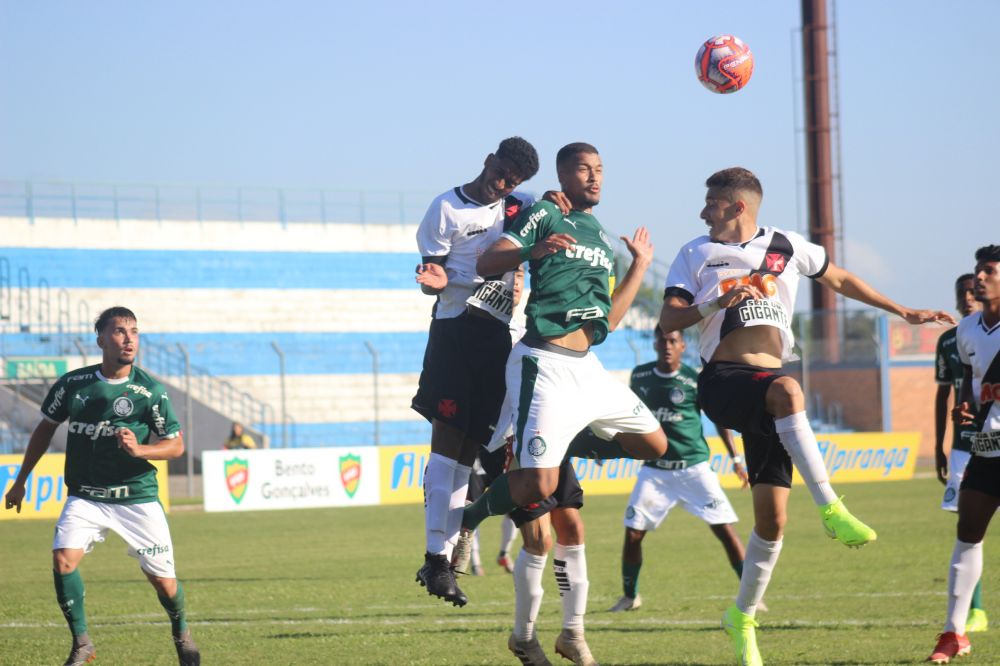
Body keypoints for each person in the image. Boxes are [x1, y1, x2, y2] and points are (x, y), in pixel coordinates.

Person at [659, 167, 954, 666]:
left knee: (772, 522)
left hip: (768, 389)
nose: (702, 212)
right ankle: (833, 508)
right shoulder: (696, 254)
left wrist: (901, 311)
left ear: (737, 207)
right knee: (791, 389)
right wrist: (717, 301)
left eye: (710, 203)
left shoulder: (786, 246)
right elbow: (670, 318)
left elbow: (839, 277)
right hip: (726, 381)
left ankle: (742, 618)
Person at [460, 141, 667, 540]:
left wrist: (640, 265)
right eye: (583, 169)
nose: (594, 177)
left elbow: (608, 319)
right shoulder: (547, 211)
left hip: (587, 367)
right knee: (540, 486)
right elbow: (486, 262)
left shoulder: (601, 238)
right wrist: (532, 249)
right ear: (563, 177)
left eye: (600, 169)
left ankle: (563, 437)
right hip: (545, 362)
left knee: (654, 444)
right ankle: (468, 520)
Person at [3, 306, 200, 666]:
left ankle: (182, 633)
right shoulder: (73, 385)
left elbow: (176, 444)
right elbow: (45, 429)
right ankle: (82, 644)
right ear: (101, 339)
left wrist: (141, 449)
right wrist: (20, 481)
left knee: (165, 585)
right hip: (86, 496)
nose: (129, 339)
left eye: (135, 332)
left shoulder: (149, 390)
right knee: (63, 560)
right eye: (120, 331)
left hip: (136, 497)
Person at [411, 137, 540, 606]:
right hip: (455, 331)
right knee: (447, 443)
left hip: (496, 337)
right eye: (499, 172)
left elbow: (541, 226)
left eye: (511, 180)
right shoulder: (445, 209)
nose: (500, 184)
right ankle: (434, 554)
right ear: (488, 161)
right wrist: (440, 283)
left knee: (469, 450)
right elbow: (434, 280)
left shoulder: (520, 206)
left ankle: (441, 561)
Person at [609, 325, 757, 614]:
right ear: (653, 343)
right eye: (662, 340)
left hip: (694, 469)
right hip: (655, 471)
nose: (666, 345)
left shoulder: (694, 380)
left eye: (673, 340)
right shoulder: (640, 376)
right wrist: (609, 444)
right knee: (633, 533)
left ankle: (751, 595)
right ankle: (630, 596)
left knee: (725, 530)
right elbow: (626, 416)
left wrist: (737, 461)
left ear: (682, 346)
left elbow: (719, 421)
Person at [927, 245, 1000, 664]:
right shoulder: (967, 331)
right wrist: (966, 407)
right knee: (967, 533)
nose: (979, 277)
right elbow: (973, 388)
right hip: (987, 446)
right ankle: (954, 632)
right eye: (978, 270)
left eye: (989, 270)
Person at [933, 273, 987, 634]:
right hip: (965, 445)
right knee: (967, 526)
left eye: (972, 291)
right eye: (962, 292)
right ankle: (972, 613)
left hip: (992, 436)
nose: (968, 297)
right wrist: (939, 444)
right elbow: (945, 393)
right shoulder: (950, 339)